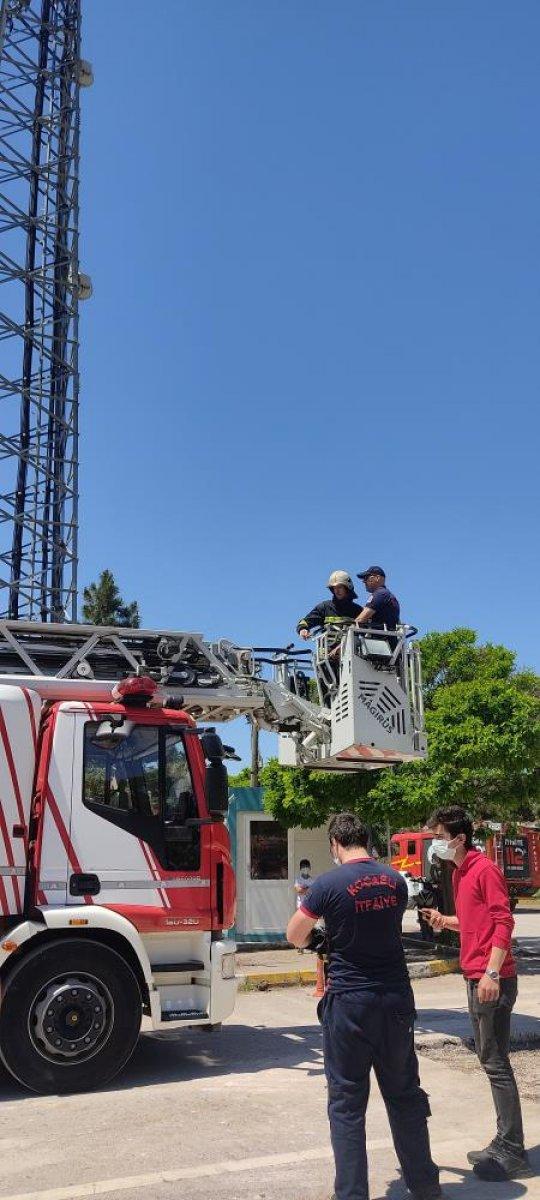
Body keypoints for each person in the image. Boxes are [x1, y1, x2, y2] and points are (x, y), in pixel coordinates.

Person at [287, 812, 443, 1200]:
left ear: (335, 845)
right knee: (404, 1094)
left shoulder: (327, 884)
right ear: (367, 840)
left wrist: (320, 942)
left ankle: (353, 1193)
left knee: (346, 1104)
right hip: (395, 999)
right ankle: (425, 1186)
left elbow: (295, 934)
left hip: (350, 1002)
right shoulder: (394, 880)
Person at [421, 806, 530, 1182]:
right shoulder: (460, 873)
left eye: (438, 835)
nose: (435, 842)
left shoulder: (485, 870)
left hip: (491, 979)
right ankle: (504, 1141)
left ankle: (512, 1150)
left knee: (496, 1062)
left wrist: (492, 972)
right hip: (475, 975)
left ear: (459, 838)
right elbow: (473, 922)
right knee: (489, 1059)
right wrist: (444, 920)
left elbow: (504, 922)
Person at [296, 571, 362, 643]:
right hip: (328, 652)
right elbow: (304, 621)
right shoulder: (324, 607)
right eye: (334, 588)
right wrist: (302, 629)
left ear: (347, 588)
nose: (336, 591)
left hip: (351, 652)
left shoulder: (358, 610)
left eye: (340, 587)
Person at [355, 566, 400, 631]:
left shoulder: (380, 593)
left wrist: (349, 628)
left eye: (366, 578)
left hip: (380, 638)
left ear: (377, 578)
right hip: (387, 637)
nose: (364, 582)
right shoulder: (386, 594)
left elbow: (360, 619)